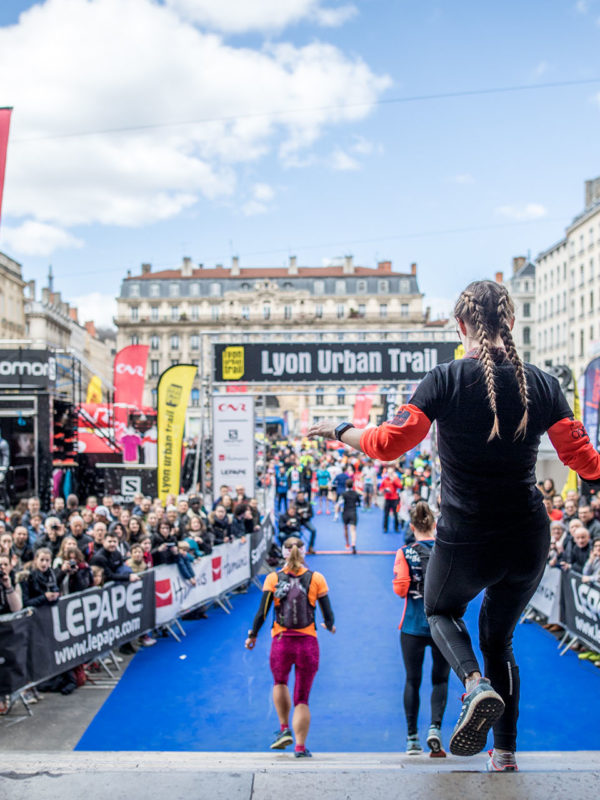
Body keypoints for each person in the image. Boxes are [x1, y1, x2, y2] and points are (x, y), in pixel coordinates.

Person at [309, 279, 600, 772]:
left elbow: (386, 444)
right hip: (528, 535)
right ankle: (504, 755)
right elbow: (586, 464)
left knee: (438, 609)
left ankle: (472, 684)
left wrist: (340, 430)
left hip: (467, 535)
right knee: (499, 640)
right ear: (510, 322)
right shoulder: (546, 384)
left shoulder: (443, 380)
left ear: (461, 326)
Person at [244, 537, 336, 757]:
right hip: (307, 643)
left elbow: (262, 612)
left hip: (281, 641)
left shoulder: (273, 578)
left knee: (280, 682)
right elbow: (328, 614)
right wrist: (329, 626)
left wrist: (253, 635)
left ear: (284, 553)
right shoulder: (316, 578)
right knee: (302, 698)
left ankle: (284, 728)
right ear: (303, 552)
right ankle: (300, 747)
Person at [393, 501, 450, 756]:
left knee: (412, 680)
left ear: (412, 526)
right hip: (443, 626)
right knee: (440, 679)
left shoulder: (405, 552)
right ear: (435, 525)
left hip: (413, 626)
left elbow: (400, 589)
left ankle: (411, 738)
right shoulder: (446, 550)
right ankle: (435, 728)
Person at [335, 479, 361, 554]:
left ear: (346, 485)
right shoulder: (356, 493)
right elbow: (359, 504)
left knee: (345, 528)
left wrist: (336, 514)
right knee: (353, 530)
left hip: (345, 513)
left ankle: (347, 543)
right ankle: (353, 544)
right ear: (352, 485)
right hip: (353, 512)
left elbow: (338, 504)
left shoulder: (343, 494)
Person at [379, 466, 402, 533]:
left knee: (396, 514)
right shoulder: (385, 480)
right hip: (387, 499)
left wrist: (393, 480)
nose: (389, 474)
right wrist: (383, 490)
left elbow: (400, 486)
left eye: (391, 473)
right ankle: (385, 528)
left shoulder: (396, 479)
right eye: (388, 473)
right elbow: (380, 488)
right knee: (386, 514)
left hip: (395, 499)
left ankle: (396, 527)